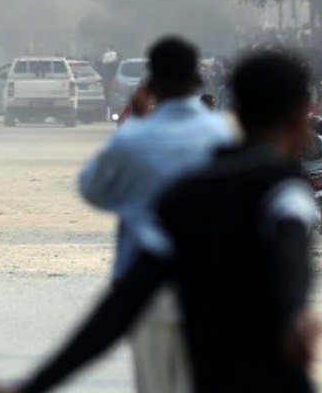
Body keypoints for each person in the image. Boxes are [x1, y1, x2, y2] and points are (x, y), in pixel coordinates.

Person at [0, 51, 321, 393]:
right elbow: (288, 240)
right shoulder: (283, 190)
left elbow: (123, 304)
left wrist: (34, 386)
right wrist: (293, 310)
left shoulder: (185, 196)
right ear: (299, 119)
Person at [77, 36, 236, 393]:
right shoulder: (226, 135)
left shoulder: (133, 139)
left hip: (147, 291)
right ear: (197, 83)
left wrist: (135, 119)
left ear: (151, 83)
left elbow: (93, 189)